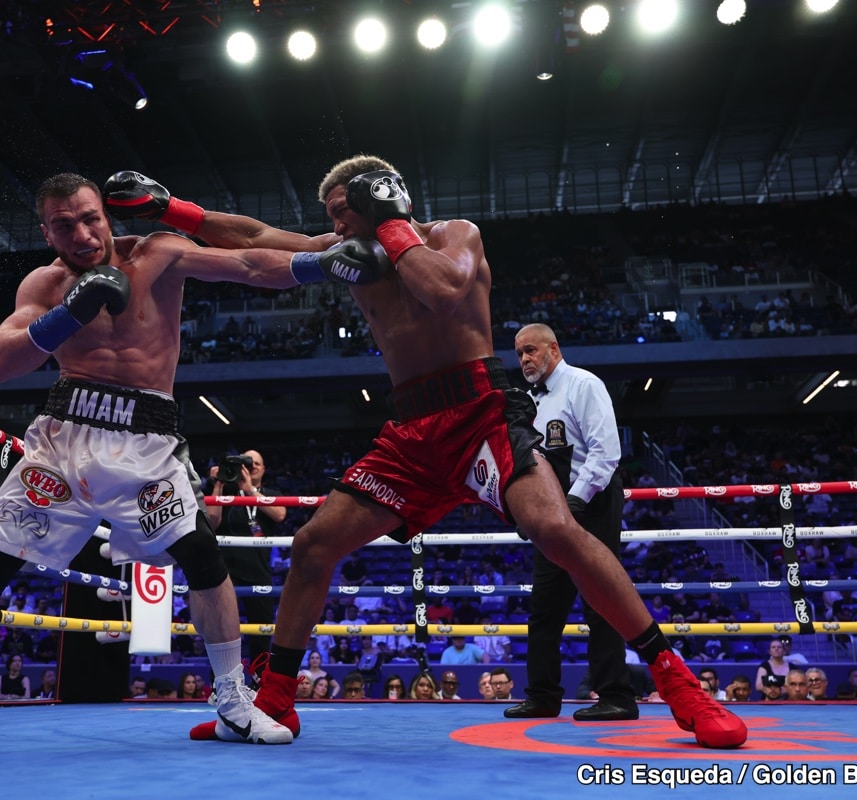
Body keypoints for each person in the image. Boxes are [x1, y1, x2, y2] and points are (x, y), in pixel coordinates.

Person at [121, 158, 746, 748]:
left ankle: (677, 682)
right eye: (333, 215)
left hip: (478, 413)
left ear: (382, 196)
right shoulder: (345, 251)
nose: (336, 226)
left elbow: (444, 291)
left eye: (346, 209)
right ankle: (278, 699)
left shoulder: (454, 235)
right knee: (313, 545)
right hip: (411, 432)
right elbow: (255, 233)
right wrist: (167, 208)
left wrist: (392, 223)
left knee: (556, 531)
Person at [0, 172, 386, 745]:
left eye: (90, 219)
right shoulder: (46, 283)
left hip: (148, 444)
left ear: (107, 215)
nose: (82, 234)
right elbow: (0, 362)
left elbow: (252, 265)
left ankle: (234, 701)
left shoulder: (158, 254)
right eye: (65, 226)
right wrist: (70, 314)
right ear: (47, 232)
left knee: (204, 562)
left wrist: (319, 263)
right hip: (62, 444)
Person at [504, 323, 637, 723]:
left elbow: (605, 453)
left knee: (600, 600)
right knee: (545, 606)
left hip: (592, 504)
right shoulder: (529, 401)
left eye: (530, 350)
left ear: (553, 348)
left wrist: (573, 505)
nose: (524, 359)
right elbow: (532, 465)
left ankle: (617, 697)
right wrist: (529, 510)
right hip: (554, 511)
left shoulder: (584, 384)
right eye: (519, 354)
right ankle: (543, 696)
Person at [205, 448, 285, 661]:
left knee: (261, 632)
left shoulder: (270, 494)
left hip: (258, 571)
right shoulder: (225, 494)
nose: (252, 468)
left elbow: (280, 514)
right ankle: (221, 682)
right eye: (247, 464)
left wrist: (249, 490)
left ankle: (258, 683)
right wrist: (219, 483)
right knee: (222, 628)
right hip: (226, 571)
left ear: (264, 469)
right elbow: (211, 523)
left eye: (256, 464)